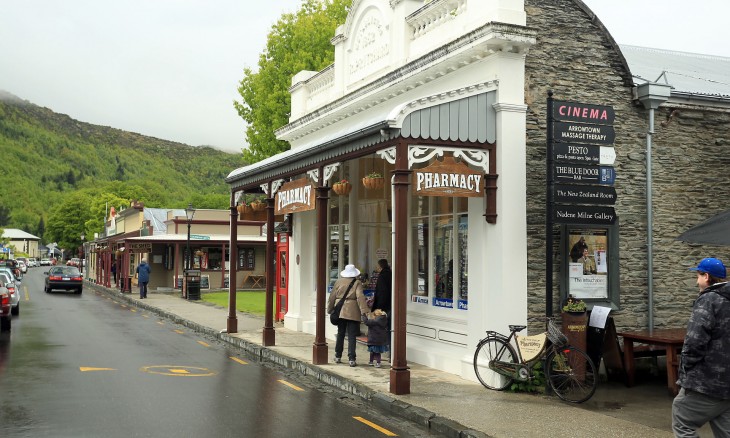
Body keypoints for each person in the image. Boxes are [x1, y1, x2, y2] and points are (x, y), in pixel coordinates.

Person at [672, 257, 730, 436]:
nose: (696, 280)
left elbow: (695, 340)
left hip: (706, 380)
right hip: (727, 383)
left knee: (681, 419)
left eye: (697, 275)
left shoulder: (708, 300)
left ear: (706, 276)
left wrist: (686, 368)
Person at [327, 264, 369, 367]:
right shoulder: (357, 283)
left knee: (340, 333)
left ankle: (338, 356)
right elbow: (360, 297)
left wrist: (330, 309)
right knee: (352, 335)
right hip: (353, 311)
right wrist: (364, 311)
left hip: (340, 310)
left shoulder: (338, 281)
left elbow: (332, 296)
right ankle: (351, 358)